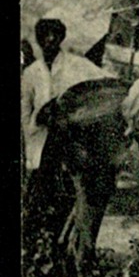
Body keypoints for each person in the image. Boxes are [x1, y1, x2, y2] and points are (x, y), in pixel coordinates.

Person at [20, 13, 112, 179]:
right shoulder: (31, 72)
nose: (49, 39)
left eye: (54, 35)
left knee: (68, 182)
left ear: (61, 38)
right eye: (45, 35)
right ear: (39, 39)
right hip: (40, 134)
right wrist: (29, 135)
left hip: (69, 134)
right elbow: (25, 109)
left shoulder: (77, 64)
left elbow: (104, 79)